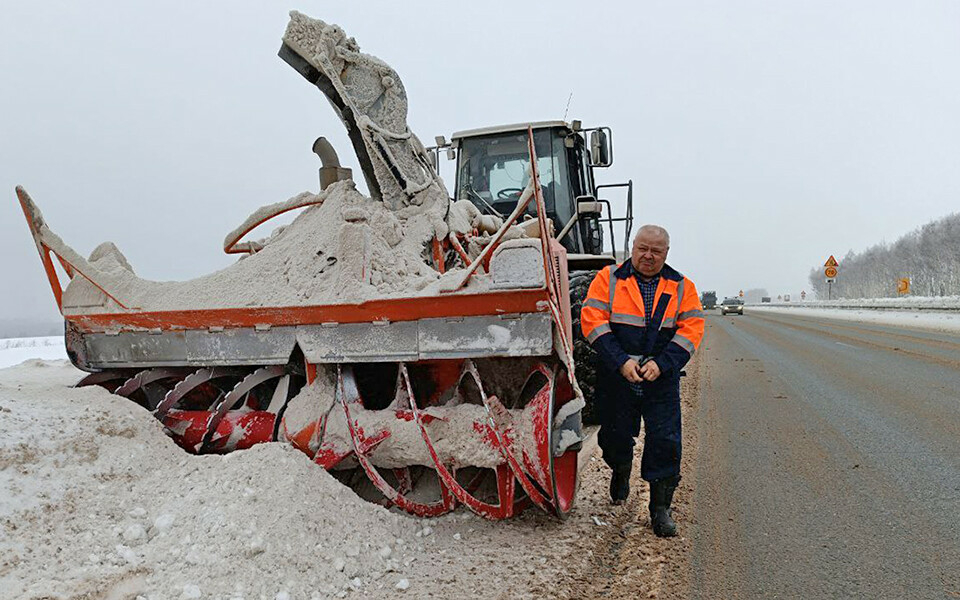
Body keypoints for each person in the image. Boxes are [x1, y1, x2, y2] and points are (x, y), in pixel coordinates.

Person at [579, 225, 705, 537]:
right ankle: (620, 469)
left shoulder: (681, 287)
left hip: (660, 378)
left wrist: (662, 365)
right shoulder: (607, 279)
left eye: (656, 251)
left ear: (666, 253)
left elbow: (691, 329)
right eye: (643, 248)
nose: (648, 256)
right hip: (618, 375)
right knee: (614, 436)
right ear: (633, 247)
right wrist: (621, 361)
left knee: (665, 441)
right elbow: (591, 321)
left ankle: (660, 509)